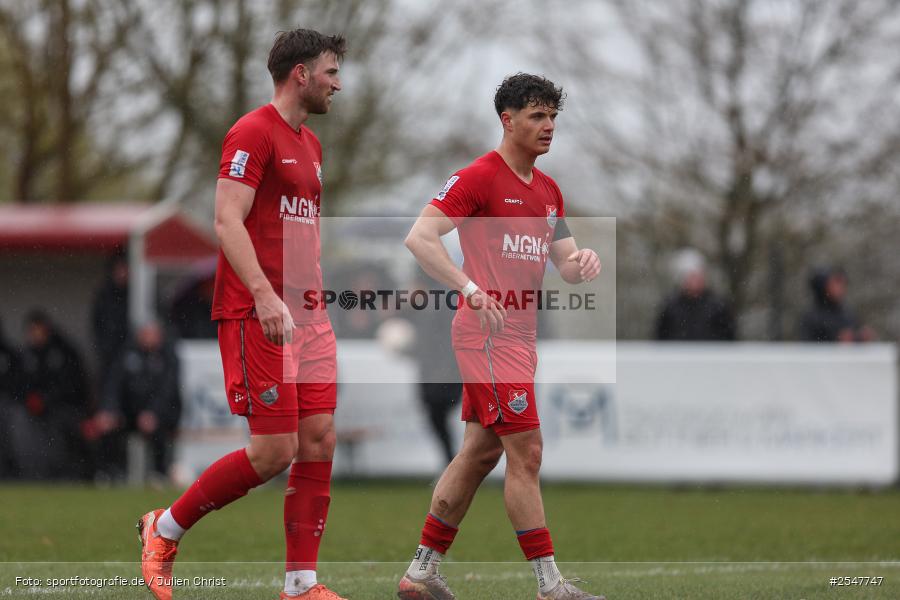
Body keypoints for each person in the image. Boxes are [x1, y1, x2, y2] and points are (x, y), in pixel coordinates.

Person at [138, 29, 347, 600]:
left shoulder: (312, 145)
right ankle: (166, 527)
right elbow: (228, 220)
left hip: (308, 312)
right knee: (273, 451)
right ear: (300, 74)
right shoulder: (251, 131)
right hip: (261, 311)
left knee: (320, 437)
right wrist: (264, 293)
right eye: (330, 71)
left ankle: (301, 584)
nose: (338, 83)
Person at [399, 73, 605, 600]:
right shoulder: (478, 177)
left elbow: (567, 265)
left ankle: (419, 574)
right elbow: (420, 237)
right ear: (507, 120)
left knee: (479, 453)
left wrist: (584, 262)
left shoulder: (550, 191)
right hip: (487, 337)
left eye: (553, 117)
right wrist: (468, 287)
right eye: (537, 116)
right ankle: (550, 586)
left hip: (520, 340)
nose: (549, 127)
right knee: (528, 452)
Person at [95, 320, 182, 482]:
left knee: (158, 432)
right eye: (145, 334)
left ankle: (159, 474)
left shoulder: (168, 357)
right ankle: (110, 474)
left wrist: (153, 413)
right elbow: (113, 385)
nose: (148, 338)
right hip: (129, 413)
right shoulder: (126, 355)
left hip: (159, 414)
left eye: (152, 334)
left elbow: (167, 392)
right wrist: (110, 410)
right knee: (109, 429)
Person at [15, 310, 91, 480]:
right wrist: (30, 399)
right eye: (32, 331)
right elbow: (18, 383)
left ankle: (64, 475)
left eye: (38, 330)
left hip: (63, 409)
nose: (35, 335)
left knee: (60, 438)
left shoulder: (64, 353)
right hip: (33, 411)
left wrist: (45, 400)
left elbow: (71, 385)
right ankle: (30, 473)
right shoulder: (26, 355)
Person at [654, 248, 736, 341]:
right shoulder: (670, 307)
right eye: (691, 277)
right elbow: (660, 339)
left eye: (697, 276)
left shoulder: (718, 306)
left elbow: (729, 339)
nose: (694, 281)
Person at [800, 266, 875, 343]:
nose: (841, 287)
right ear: (822, 286)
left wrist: (861, 338)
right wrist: (837, 341)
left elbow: (852, 340)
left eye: (843, 283)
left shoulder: (848, 314)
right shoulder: (811, 318)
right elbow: (808, 349)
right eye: (836, 282)